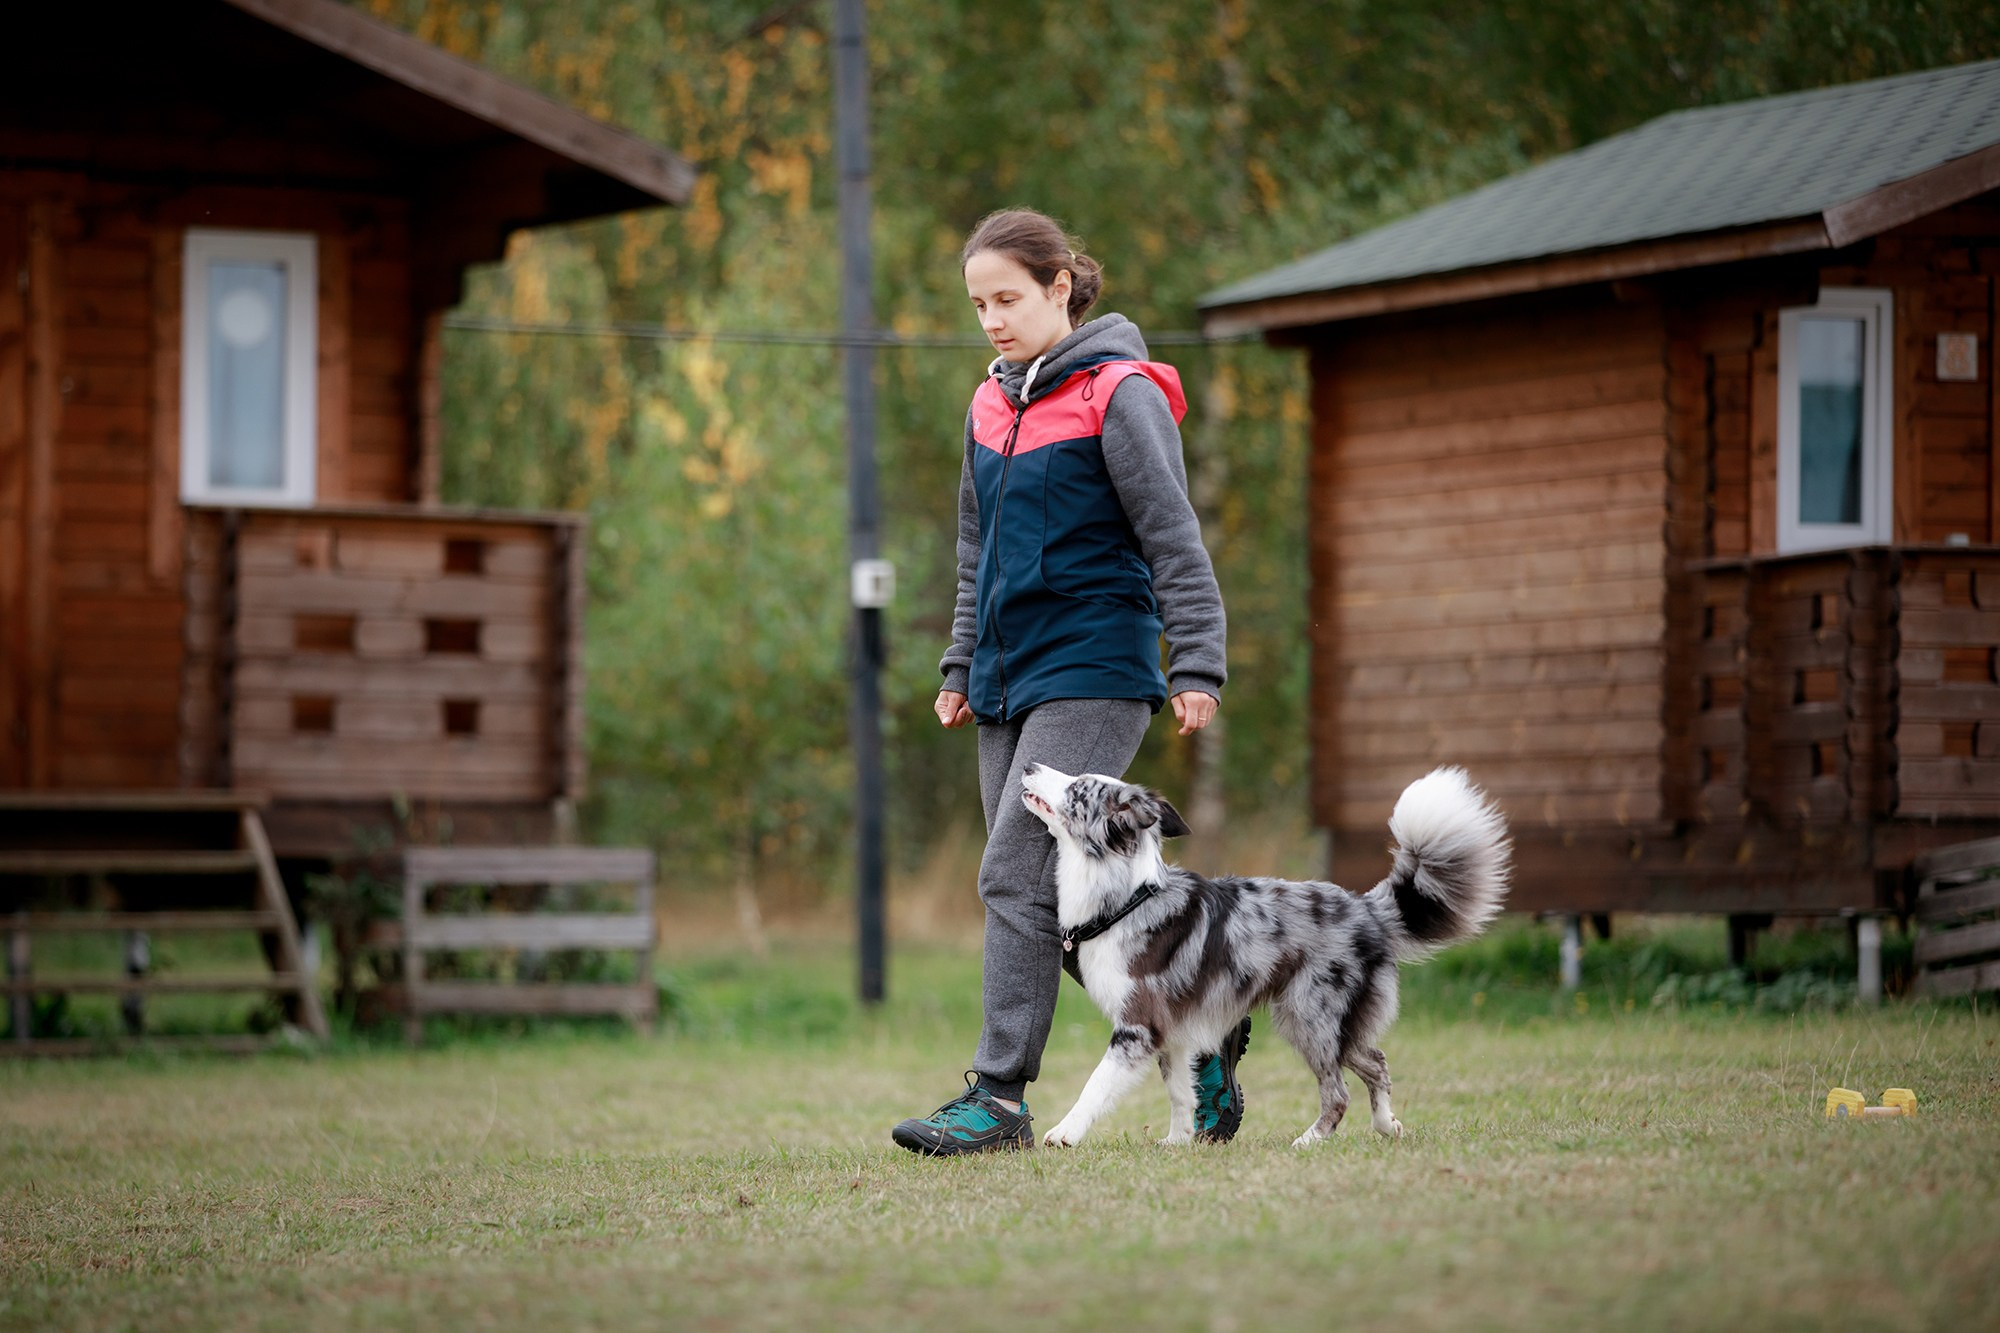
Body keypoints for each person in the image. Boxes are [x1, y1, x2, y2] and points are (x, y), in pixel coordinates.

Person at [892, 208, 1246, 1155]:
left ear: (1060, 287)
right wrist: (962, 661)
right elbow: (976, 550)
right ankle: (1199, 1025)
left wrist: (1197, 659)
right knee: (1053, 890)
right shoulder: (989, 403)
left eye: (1007, 298)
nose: (992, 320)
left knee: (1011, 871)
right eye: (978, 304)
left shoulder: (1117, 392)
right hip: (1009, 674)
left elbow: (1173, 535)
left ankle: (998, 1096)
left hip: (1095, 661)